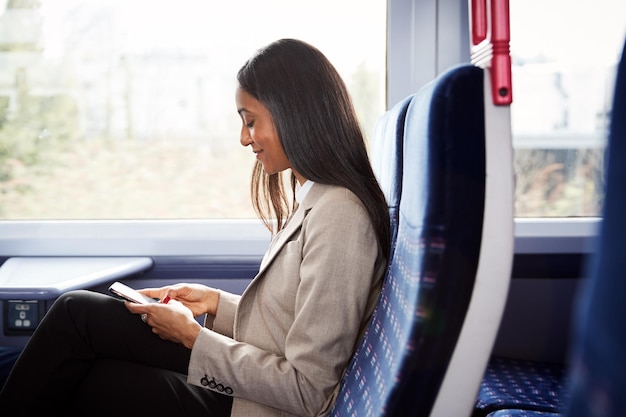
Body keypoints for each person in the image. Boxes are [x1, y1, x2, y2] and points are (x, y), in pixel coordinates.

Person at [0, 38, 390, 417]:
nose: (243, 139)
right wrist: (214, 303)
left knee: (89, 371)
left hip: (261, 407)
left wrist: (193, 336)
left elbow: (307, 389)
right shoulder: (318, 198)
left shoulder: (340, 214)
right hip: (253, 387)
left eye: (251, 122)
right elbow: (291, 323)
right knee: (79, 313)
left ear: (294, 114)